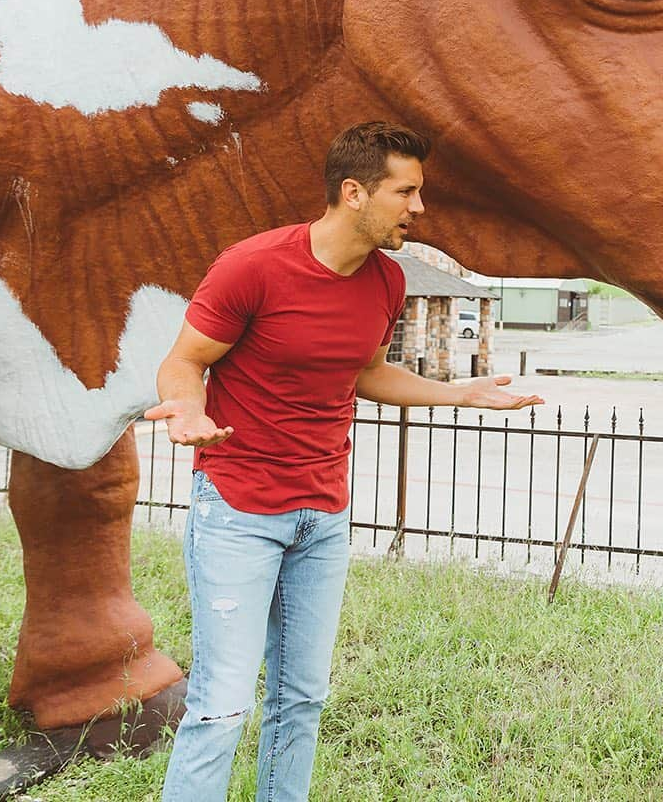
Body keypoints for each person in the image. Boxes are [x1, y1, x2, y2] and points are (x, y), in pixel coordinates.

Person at [146, 121, 543, 802]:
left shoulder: (387, 281)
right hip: (239, 507)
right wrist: (187, 408)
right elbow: (184, 361)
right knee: (222, 704)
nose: (419, 209)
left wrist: (458, 394)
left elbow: (367, 372)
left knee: (302, 699)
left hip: (323, 514)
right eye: (407, 192)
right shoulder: (254, 266)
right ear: (354, 192)